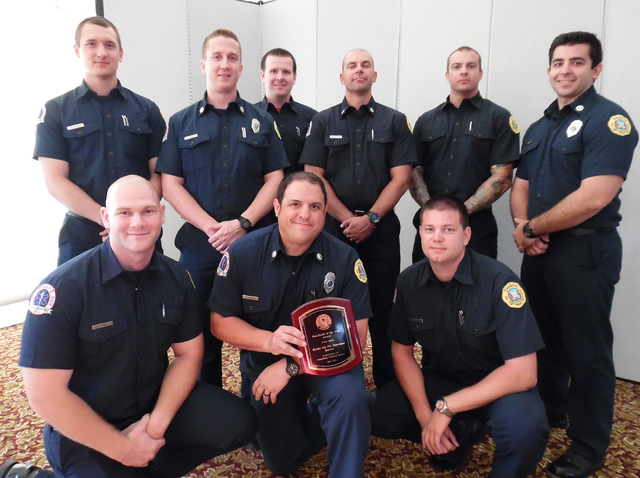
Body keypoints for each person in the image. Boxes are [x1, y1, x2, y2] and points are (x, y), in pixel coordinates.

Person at [18, 175, 257, 478]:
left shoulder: (177, 277)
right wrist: (123, 448)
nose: (137, 222)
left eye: (147, 211)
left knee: (237, 423)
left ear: (162, 214)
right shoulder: (63, 289)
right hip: (87, 424)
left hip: (151, 405)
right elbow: (45, 395)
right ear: (106, 217)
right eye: (124, 212)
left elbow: (189, 354)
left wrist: (154, 428)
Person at [511, 31, 638, 478]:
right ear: (549, 70)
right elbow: (521, 185)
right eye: (558, 62)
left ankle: (589, 446)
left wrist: (532, 229)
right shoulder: (540, 126)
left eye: (577, 62)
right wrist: (522, 229)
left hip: (584, 249)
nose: (565, 70)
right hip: (538, 250)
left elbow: (593, 197)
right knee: (541, 341)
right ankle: (552, 413)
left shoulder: (610, 120)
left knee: (587, 352)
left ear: (595, 70)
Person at [371, 195, 549, 477]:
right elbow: (401, 352)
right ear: (421, 234)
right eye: (429, 229)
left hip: (500, 385)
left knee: (525, 429)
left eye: (448, 229)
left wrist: (446, 407)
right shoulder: (408, 281)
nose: (437, 237)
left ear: (466, 235)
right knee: (380, 413)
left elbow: (524, 373)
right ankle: (463, 430)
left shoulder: (500, 283)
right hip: (445, 378)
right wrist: (425, 417)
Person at [210, 172, 374, 478]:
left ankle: (349, 437)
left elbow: (357, 338)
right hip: (266, 363)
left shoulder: (345, 259)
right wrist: (269, 341)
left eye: (315, 206)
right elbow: (220, 323)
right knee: (281, 462)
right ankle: (333, 417)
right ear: (277, 207)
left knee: (349, 398)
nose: (305, 214)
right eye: (295, 204)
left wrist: (290, 366)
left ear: (325, 212)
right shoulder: (243, 253)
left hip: (330, 363)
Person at [156, 29, 288, 387]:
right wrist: (213, 228)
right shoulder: (180, 122)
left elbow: (275, 179)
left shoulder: (262, 121)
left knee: (259, 329)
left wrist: (242, 223)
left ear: (241, 68)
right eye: (217, 57)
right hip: (201, 246)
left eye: (232, 58)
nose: (224, 64)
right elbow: (170, 184)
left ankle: (259, 404)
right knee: (198, 335)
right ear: (203, 65)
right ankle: (208, 403)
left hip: (255, 244)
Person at [300, 48, 417, 389]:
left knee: (382, 308)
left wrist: (372, 218)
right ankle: (330, 377)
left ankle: (387, 383)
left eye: (366, 65)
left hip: (381, 230)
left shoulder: (395, 121)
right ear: (342, 77)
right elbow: (313, 175)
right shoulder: (323, 121)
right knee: (330, 307)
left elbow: (402, 177)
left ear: (375, 75)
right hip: (333, 231)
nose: (359, 70)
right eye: (352, 65)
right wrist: (348, 219)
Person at [34, 16, 165, 266]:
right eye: (91, 44)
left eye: (109, 45)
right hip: (82, 233)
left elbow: (159, 175)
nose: (102, 52)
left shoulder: (147, 110)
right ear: (77, 50)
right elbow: (55, 180)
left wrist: (129, 220)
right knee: (74, 292)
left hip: (139, 234)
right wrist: (107, 219)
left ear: (121, 53)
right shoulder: (56, 111)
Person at [410, 46, 520, 262]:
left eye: (471, 66)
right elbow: (413, 172)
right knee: (423, 281)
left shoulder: (498, 118)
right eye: (456, 66)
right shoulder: (426, 121)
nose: (463, 71)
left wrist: (457, 213)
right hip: (431, 226)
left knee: (477, 282)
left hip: (477, 228)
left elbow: (502, 177)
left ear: (480, 73)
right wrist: (435, 212)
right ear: (447, 74)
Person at [256, 48, 317, 175]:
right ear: (262, 76)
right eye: (273, 71)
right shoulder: (249, 117)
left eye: (286, 72)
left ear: (294, 77)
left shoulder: (313, 118)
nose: (280, 77)